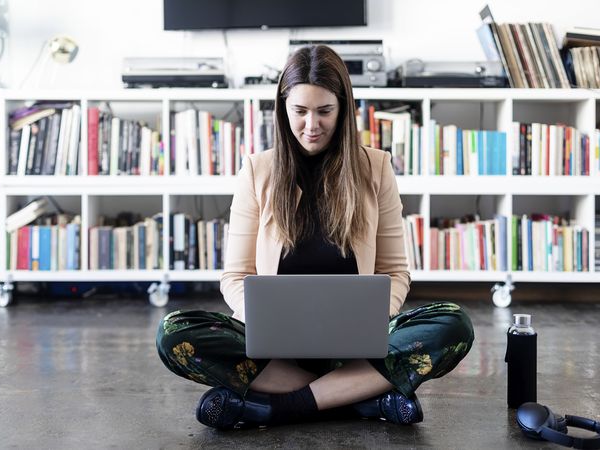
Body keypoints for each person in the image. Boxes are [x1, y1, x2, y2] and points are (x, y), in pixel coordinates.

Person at [156, 45, 474, 430]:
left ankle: (278, 407)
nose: (312, 125)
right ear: (283, 109)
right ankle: (362, 397)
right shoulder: (257, 171)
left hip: (356, 345)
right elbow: (235, 274)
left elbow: (394, 271)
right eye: (300, 111)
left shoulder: (376, 168)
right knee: (174, 332)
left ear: (343, 109)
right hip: (276, 350)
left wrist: (374, 318)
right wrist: (258, 321)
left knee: (453, 324)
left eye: (324, 111)